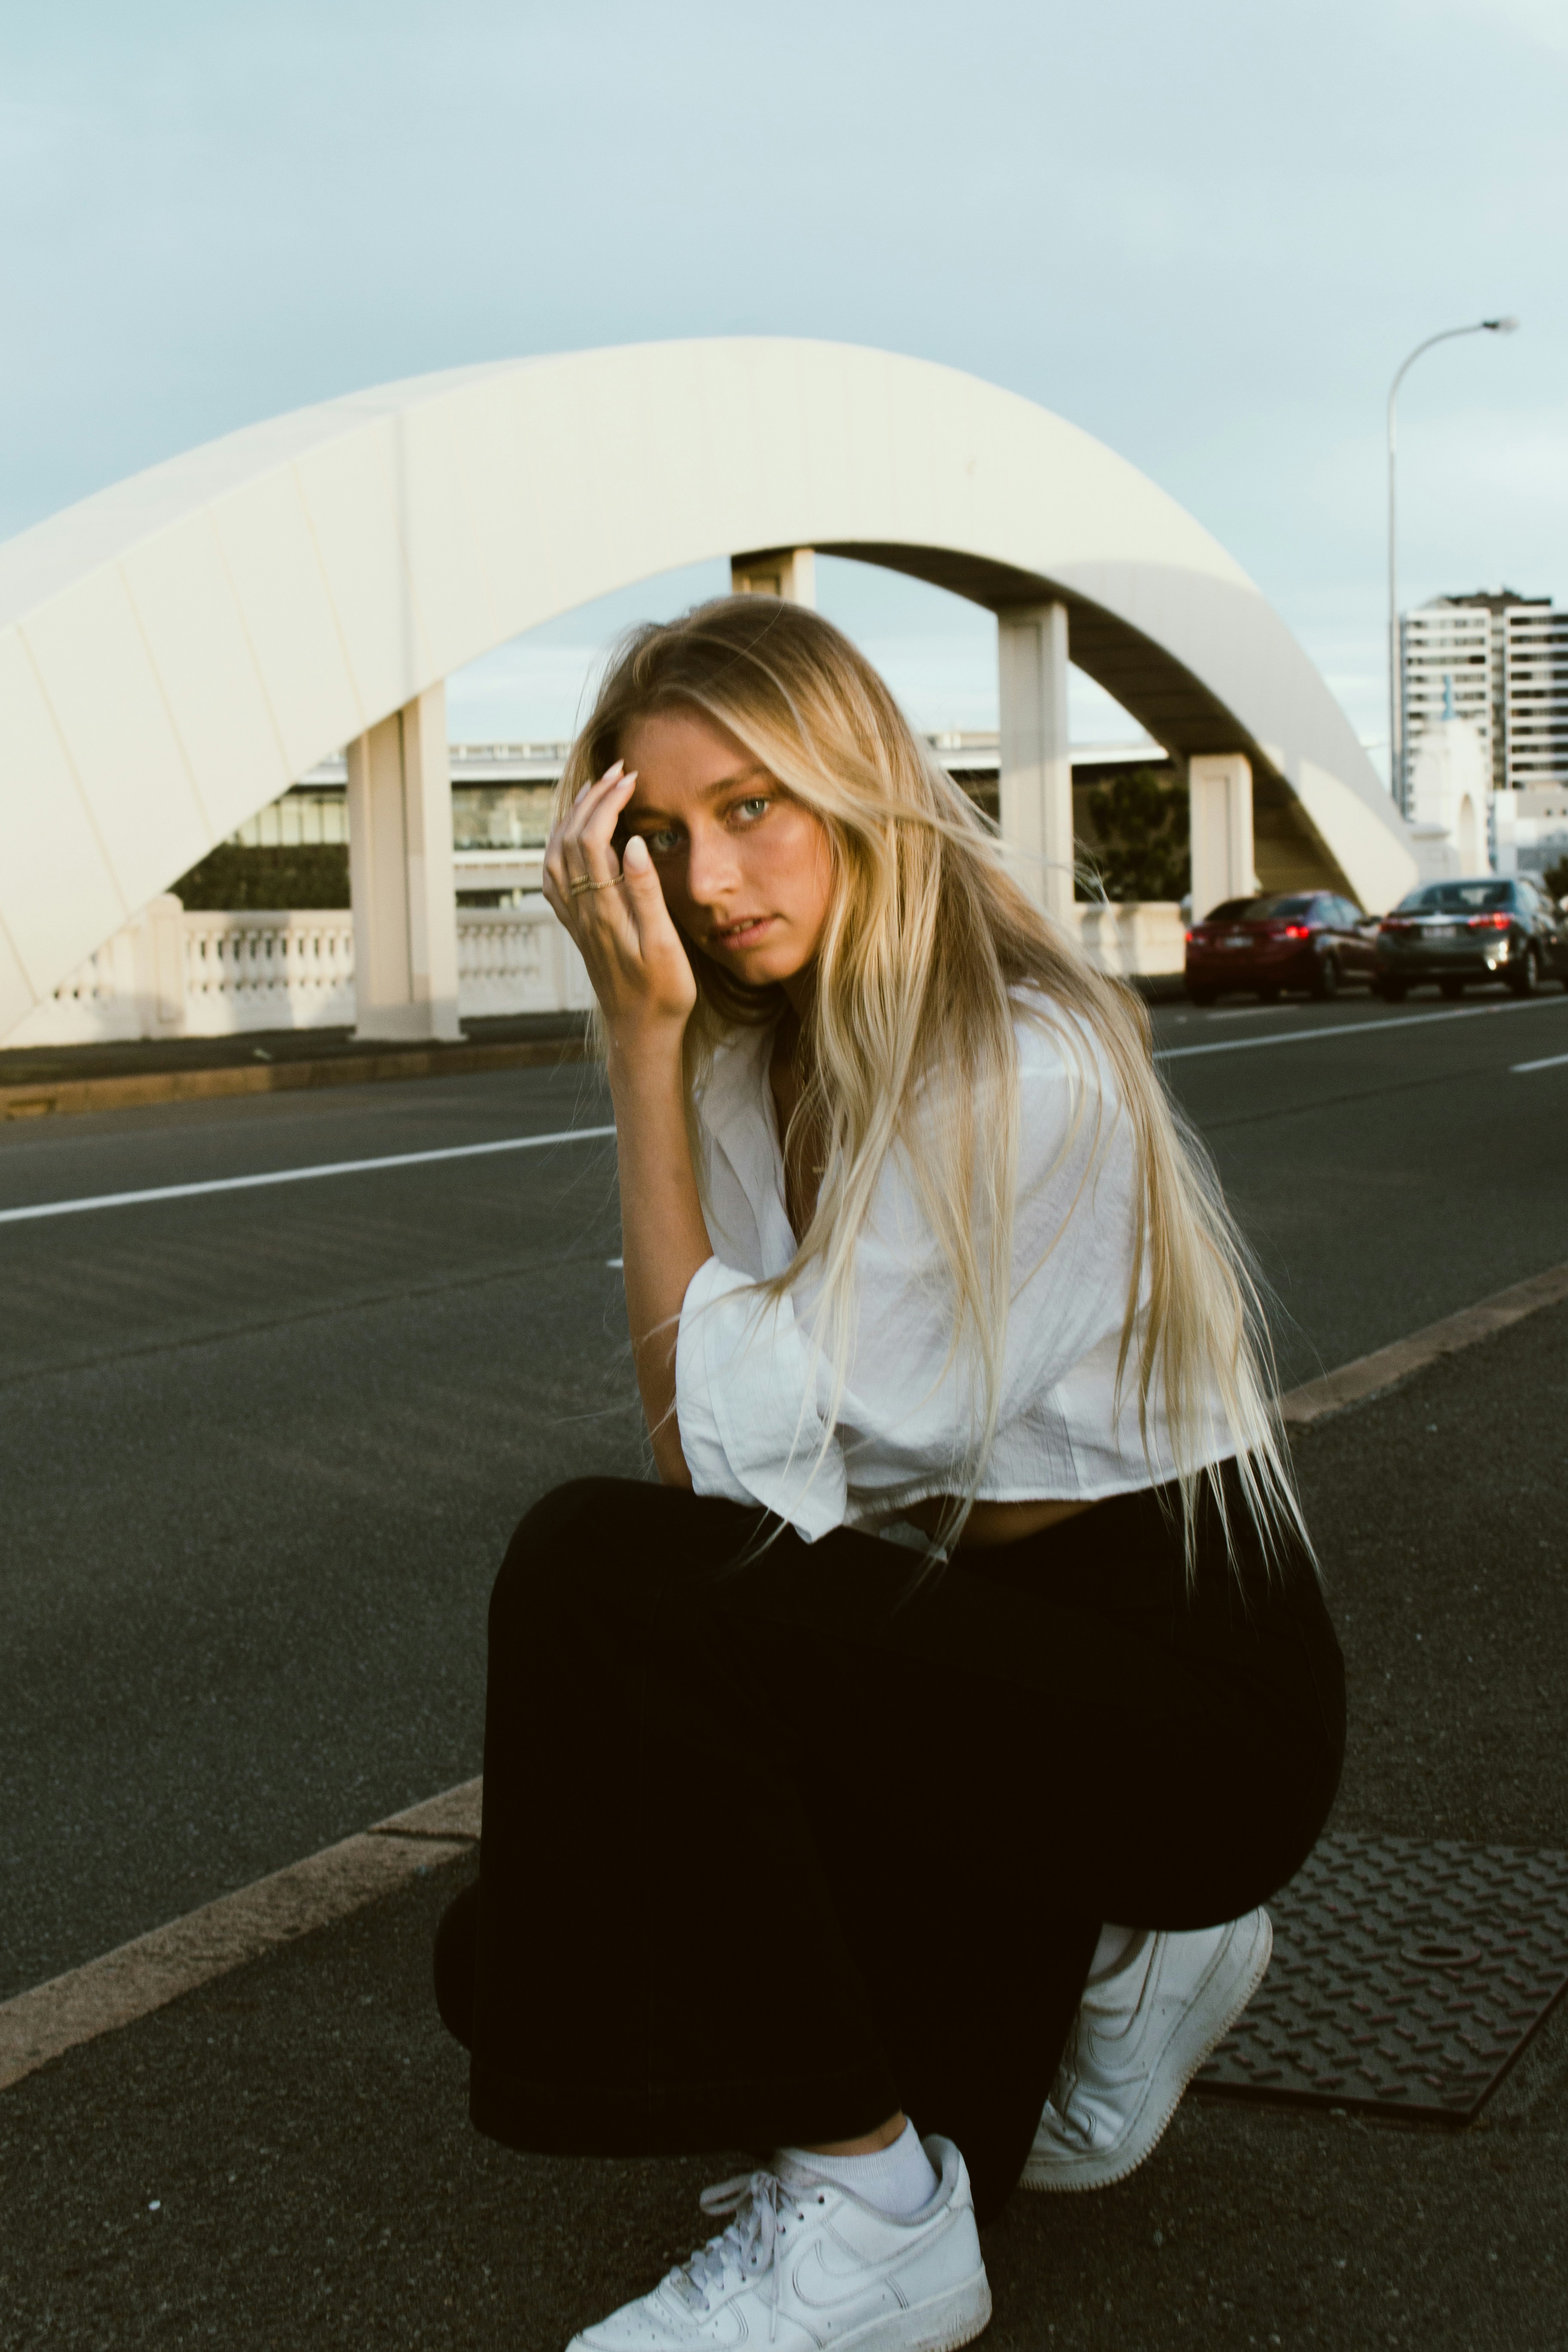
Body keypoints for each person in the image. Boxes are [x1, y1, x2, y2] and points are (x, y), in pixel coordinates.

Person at [432, 597, 1344, 2352]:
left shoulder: (1026, 1063)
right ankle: (1087, 1951)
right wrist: (656, 1057)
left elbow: (719, 1503)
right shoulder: (747, 1062)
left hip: (1185, 1693)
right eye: (660, 837)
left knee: (586, 1570)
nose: (708, 879)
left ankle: (880, 2207)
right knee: (520, 1958)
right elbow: (732, 1487)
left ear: (861, 792)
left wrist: (632, 1053)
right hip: (980, 1650)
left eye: (755, 806)